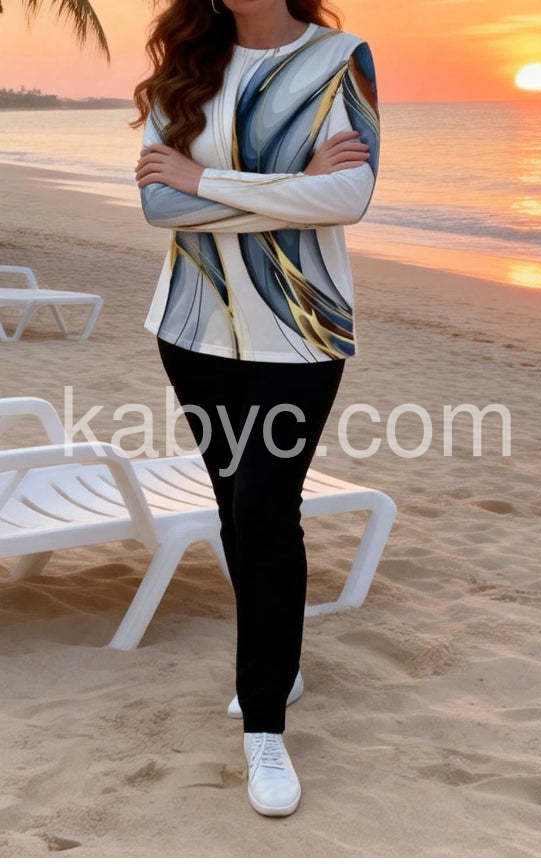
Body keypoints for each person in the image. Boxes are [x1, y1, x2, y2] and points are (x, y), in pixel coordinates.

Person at [133, 0, 380, 817]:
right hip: (191, 326)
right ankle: (279, 661)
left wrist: (203, 180)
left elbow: (349, 197)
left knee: (266, 510)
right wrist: (295, 188)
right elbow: (159, 208)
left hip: (301, 331)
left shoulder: (341, 58)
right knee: (235, 509)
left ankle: (264, 730)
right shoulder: (184, 66)